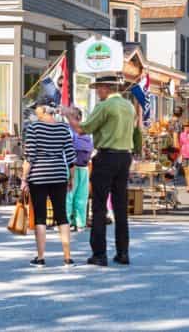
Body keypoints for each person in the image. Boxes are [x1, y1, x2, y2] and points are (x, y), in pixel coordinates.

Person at [64, 75, 135, 267]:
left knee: (99, 206)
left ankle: (99, 253)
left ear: (106, 88)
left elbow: (81, 129)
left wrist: (68, 115)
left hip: (107, 156)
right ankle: (123, 252)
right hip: (124, 156)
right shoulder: (129, 106)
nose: (97, 92)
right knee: (120, 208)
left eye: (98, 88)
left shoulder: (104, 106)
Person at [21, 104, 76, 267]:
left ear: (45, 111)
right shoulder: (63, 128)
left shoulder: (34, 128)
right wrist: (71, 178)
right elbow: (71, 155)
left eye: (38, 110)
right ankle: (67, 258)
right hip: (59, 174)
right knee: (62, 215)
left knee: (40, 217)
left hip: (38, 175)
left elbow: (29, 156)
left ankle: (40, 258)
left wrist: (24, 178)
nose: (36, 113)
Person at [65, 108, 94, 232]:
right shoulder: (84, 131)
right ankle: (77, 223)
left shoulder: (70, 131)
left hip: (76, 168)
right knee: (78, 197)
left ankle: (71, 222)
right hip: (80, 167)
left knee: (72, 196)